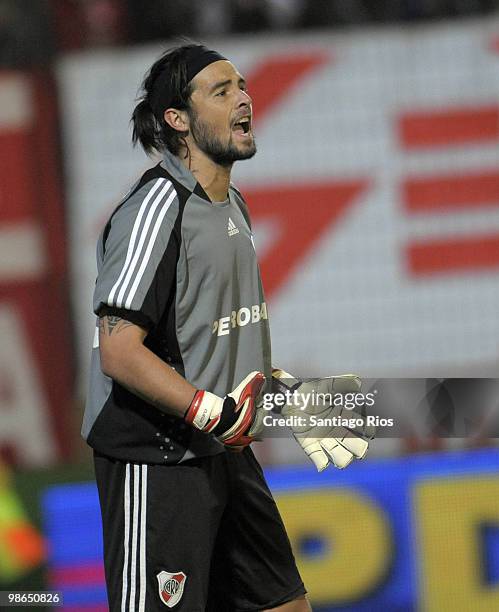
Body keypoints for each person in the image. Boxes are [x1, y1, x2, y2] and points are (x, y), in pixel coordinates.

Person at [82, 43, 370, 611]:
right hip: (157, 460)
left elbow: (215, 345)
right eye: (222, 91)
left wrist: (286, 399)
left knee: (286, 605)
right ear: (178, 121)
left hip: (222, 450)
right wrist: (209, 411)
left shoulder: (231, 204)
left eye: (242, 86)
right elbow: (119, 352)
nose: (245, 98)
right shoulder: (155, 210)